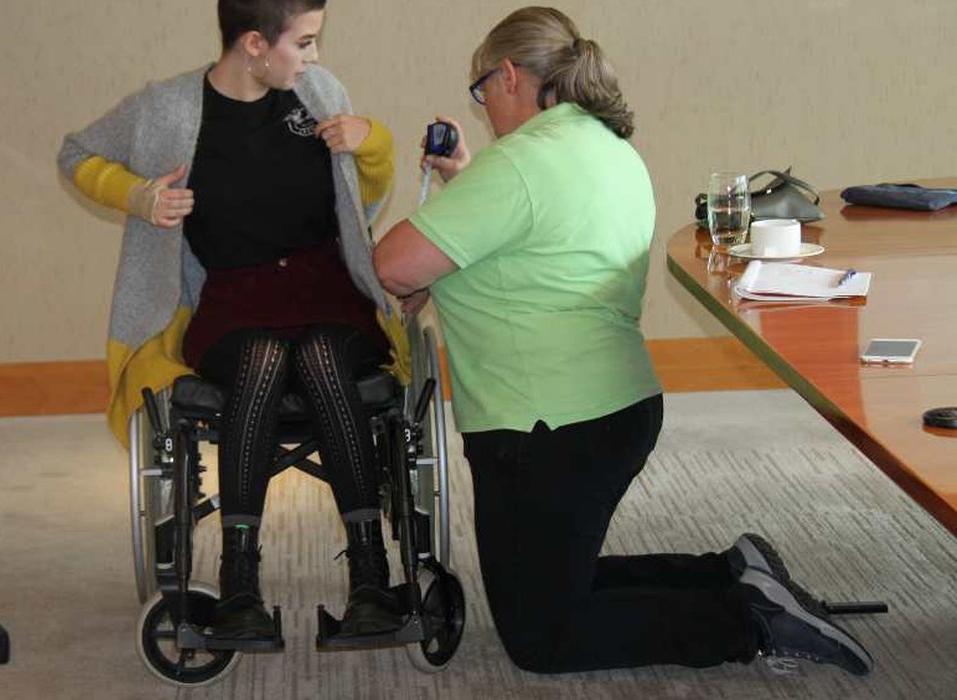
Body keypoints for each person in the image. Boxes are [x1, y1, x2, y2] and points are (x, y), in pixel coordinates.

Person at [373, 6, 873, 676]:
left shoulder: (519, 164)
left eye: (482, 89)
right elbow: (534, 251)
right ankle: (732, 573)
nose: (484, 106)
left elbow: (391, 264)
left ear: (512, 76)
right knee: (551, 585)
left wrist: (434, 250)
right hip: (609, 412)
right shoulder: (605, 148)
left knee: (542, 636)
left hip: (544, 427)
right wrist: (460, 201)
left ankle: (749, 620)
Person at [57, 0, 406, 639]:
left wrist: (372, 139)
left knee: (322, 355)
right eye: (303, 42)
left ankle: (371, 579)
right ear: (253, 43)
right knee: (261, 358)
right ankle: (238, 584)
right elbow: (76, 155)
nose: (314, 57)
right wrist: (139, 195)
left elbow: (368, 194)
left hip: (324, 285)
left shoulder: (318, 92)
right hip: (232, 295)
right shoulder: (167, 107)